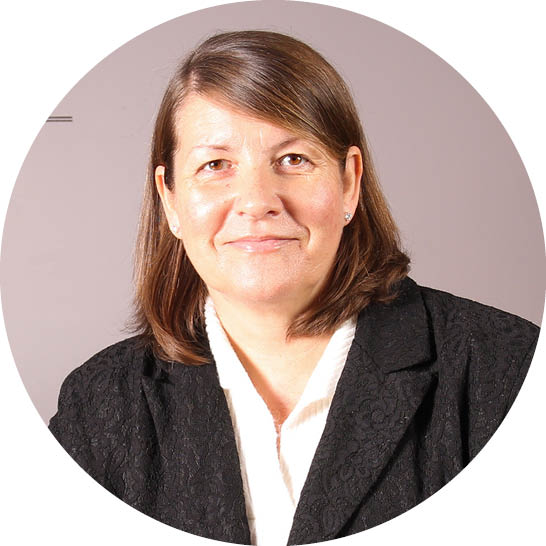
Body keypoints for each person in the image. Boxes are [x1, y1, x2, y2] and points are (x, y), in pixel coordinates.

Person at [49, 31, 540, 546]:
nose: (257, 200)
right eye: (215, 165)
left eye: (293, 160)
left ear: (349, 183)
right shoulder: (98, 406)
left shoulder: (505, 371)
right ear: (170, 200)